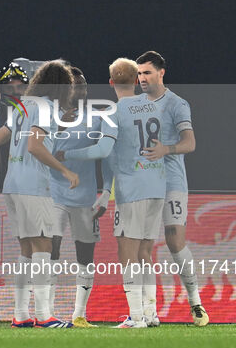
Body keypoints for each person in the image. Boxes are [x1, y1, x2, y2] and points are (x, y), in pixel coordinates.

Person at [56, 58, 165, 328]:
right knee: (145, 252)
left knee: (127, 251)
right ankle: (151, 314)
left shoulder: (113, 112)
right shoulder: (153, 107)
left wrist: (67, 153)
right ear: (137, 79)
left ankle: (137, 317)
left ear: (111, 82)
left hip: (132, 186)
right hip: (156, 185)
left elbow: (102, 151)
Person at [0, 60, 78, 328]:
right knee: (43, 246)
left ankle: (20, 314)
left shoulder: (23, 105)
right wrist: (65, 171)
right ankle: (44, 315)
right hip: (34, 185)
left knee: (27, 251)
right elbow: (34, 146)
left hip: (13, 184)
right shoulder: (46, 107)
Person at [136, 51, 208, 326]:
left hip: (172, 182)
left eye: (147, 73)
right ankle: (148, 311)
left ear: (161, 72)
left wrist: (167, 148)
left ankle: (195, 302)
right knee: (142, 244)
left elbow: (190, 143)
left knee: (175, 241)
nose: (142, 78)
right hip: (143, 182)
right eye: (139, 73)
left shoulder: (177, 104)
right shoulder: (135, 104)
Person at [49, 66, 112, 328]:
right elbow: (37, 152)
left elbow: (107, 158)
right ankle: (47, 313)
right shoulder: (48, 117)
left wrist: (106, 191)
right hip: (52, 195)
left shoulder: (97, 118)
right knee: (48, 253)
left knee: (85, 255)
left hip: (85, 197)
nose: (80, 89)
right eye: (75, 84)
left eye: (84, 85)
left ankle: (79, 315)